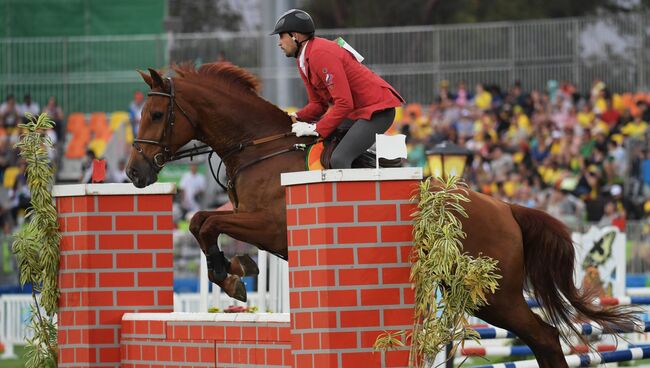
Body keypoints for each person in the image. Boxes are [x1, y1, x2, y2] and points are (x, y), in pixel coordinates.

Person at [271, 9, 404, 169]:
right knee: (325, 146)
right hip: (356, 112)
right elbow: (318, 105)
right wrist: (293, 117)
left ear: (295, 36)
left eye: (281, 36)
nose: (279, 43)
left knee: (339, 159)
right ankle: (376, 163)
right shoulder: (303, 59)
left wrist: (316, 128)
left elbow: (344, 103)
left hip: (377, 111)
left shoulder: (320, 53)